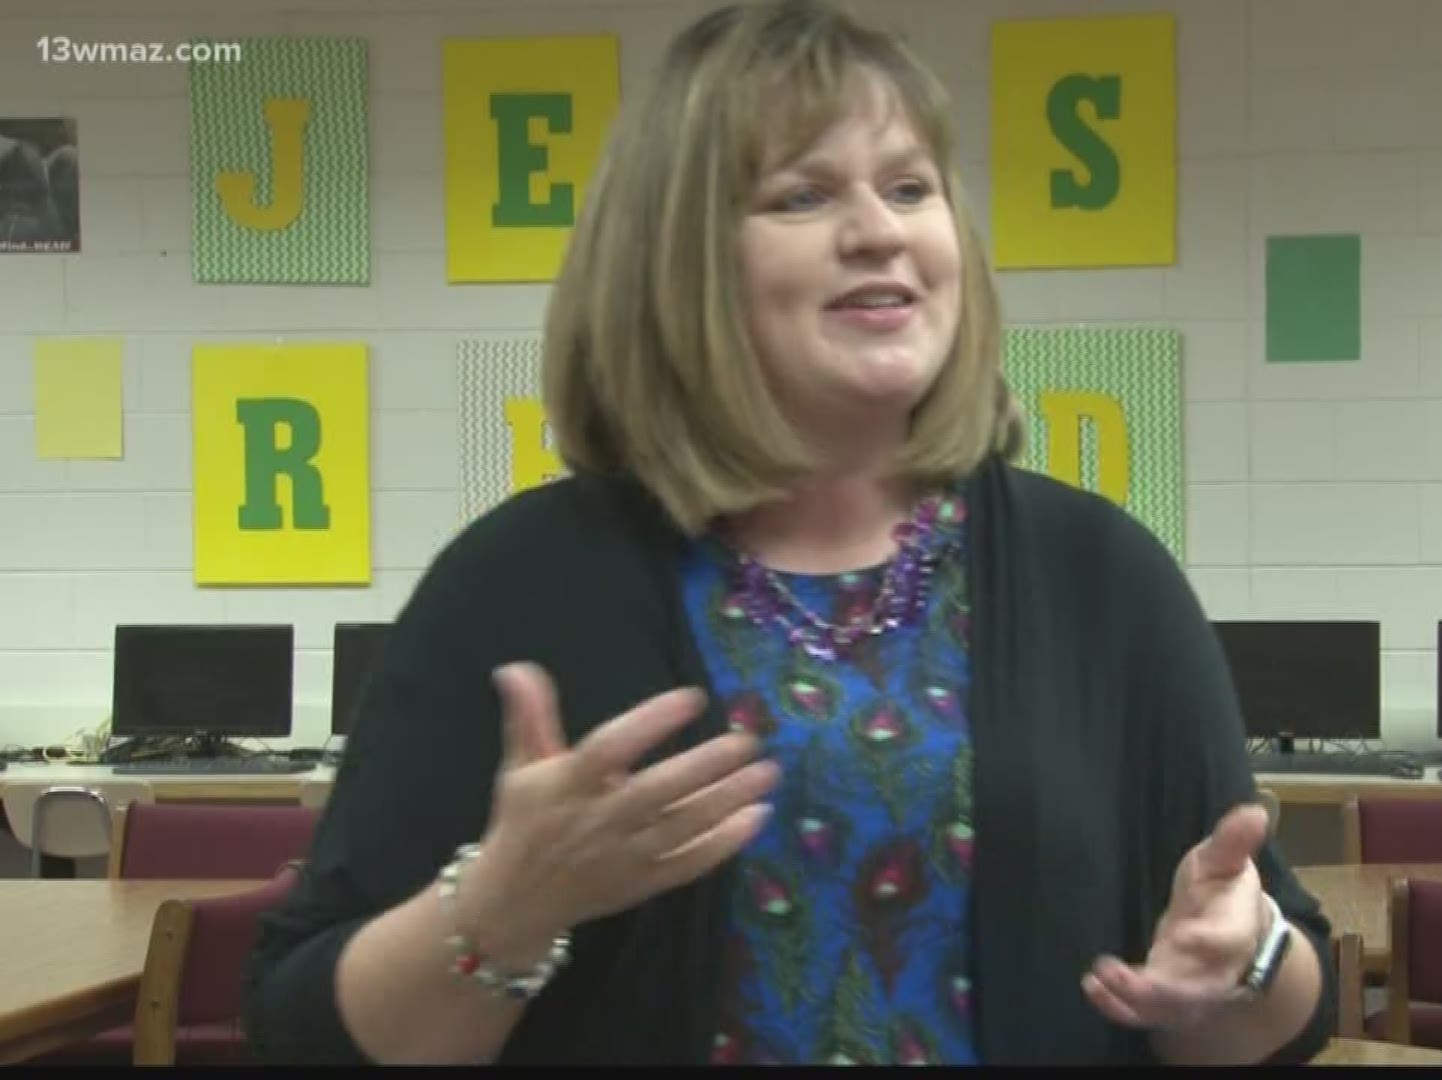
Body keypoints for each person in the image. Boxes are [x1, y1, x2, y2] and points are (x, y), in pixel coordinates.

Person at [243, 0, 1336, 1065]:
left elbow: (1279, 1003)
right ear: (680, 264)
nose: (879, 231)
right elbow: (303, 1030)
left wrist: (1240, 969)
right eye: (803, 196)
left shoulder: (1099, 573)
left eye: (910, 187)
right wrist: (500, 913)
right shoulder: (520, 582)